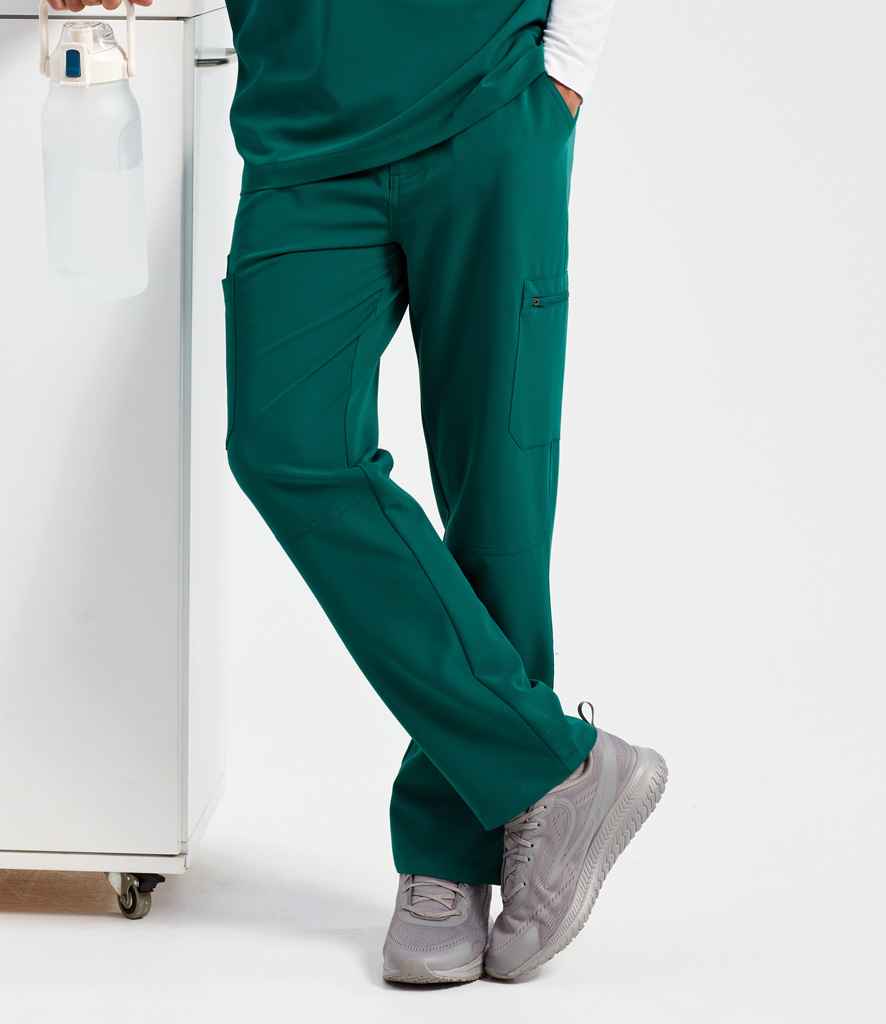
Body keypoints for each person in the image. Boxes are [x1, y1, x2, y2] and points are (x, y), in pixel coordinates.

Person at [50, 0, 667, 984]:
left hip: (487, 104)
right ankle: (556, 769)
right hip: (302, 135)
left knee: (497, 498)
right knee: (283, 446)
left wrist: (568, 66)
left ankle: (447, 851)